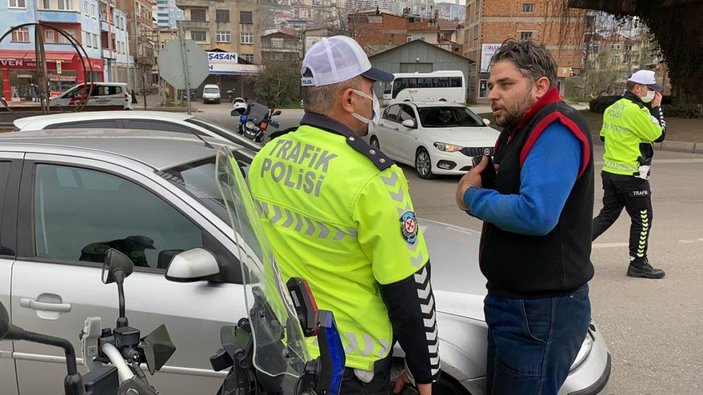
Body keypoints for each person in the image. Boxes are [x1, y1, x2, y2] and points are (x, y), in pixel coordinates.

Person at [248, 35, 439, 394]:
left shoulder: (267, 157)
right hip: (351, 367)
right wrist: (423, 372)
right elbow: (408, 289)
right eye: (371, 89)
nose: (375, 101)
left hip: (286, 350)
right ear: (350, 99)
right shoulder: (374, 178)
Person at [455, 39, 594, 394]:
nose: (492, 94)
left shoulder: (556, 127)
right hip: (515, 306)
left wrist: (472, 197)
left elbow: (537, 214)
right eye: (490, 85)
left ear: (540, 86)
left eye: (505, 84)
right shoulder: (519, 129)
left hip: (540, 313)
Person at [592, 69, 666, 279]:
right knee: (643, 219)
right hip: (632, 176)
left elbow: (605, 137)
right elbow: (659, 135)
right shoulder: (636, 111)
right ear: (638, 88)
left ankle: (573, 249)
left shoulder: (612, 109)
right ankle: (638, 263)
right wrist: (657, 110)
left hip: (610, 173)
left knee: (607, 215)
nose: (653, 93)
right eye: (651, 89)